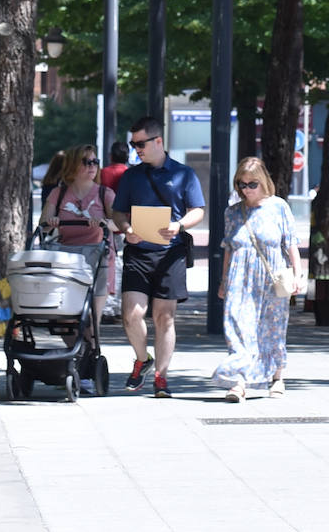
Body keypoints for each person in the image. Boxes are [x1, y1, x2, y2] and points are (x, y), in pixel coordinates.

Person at [112, 115, 205, 399]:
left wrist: (180, 225)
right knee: (132, 315)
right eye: (133, 144)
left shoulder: (184, 174)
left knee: (164, 317)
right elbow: (117, 212)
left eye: (141, 143)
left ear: (158, 141)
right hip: (138, 252)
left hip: (171, 253)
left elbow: (198, 210)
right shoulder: (131, 176)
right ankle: (143, 358)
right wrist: (127, 229)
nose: (136, 149)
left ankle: (161, 377)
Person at [212, 156, 302, 402]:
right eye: (242, 184)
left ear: (264, 182)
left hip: (270, 278)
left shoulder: (278, 206)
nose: (247, 189)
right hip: (239, 277)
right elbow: (229, 248)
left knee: (272, 328)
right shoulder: (232, 212)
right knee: (238, 327)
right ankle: (239, 383)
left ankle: (277, 377)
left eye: (252, 184)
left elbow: (291, 243)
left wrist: (298, 275)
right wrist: (223, 281)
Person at [40, 143, 116, 390]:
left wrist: (103, 222)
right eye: (86, 162)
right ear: (74, 165)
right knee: (68, 318)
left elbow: (119, 224)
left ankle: (87, 368)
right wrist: (50, 222)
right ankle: (74, 362)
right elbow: (43, 224)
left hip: (97, 259)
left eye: (94, 162)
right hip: (67, 260)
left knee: (90, 320)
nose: (92, 166)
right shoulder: (58, 194)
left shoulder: (104, 194)